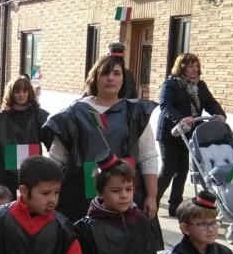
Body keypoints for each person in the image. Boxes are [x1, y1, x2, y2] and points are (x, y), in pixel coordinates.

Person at [44, 56, 158, 222]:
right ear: (95, 78)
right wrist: (44, 191)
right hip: (80, 197)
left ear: (123, 79)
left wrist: (152, 196)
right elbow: (56, 158)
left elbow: (148, 155)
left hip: (125, 195)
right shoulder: (74, 113)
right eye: (105, 73)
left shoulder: (135, 112)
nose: (111, 78)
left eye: (117, 73)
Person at [155, 53, 226, 217]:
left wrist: (219, 114)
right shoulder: (171, 84)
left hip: (191, 134)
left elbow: (210, 103)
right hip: (171, 132)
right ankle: (152, 200)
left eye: (196, 66)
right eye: (190, 66)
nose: (194, 69)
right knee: (169, 168)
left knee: (183, 169)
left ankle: (175, 205)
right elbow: (165, 105)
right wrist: (181, 119)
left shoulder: (200, 85)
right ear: (181, 67)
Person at [0, 76, 48, 191]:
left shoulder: (39, 115)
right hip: (5, 165)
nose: (21, 95)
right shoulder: (1, 116)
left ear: (29, 93)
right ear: (11, 93)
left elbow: (51, 140)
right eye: (17, 91)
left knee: (30, 202)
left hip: (31, 165)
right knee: (7, 203)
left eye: (24, 91)